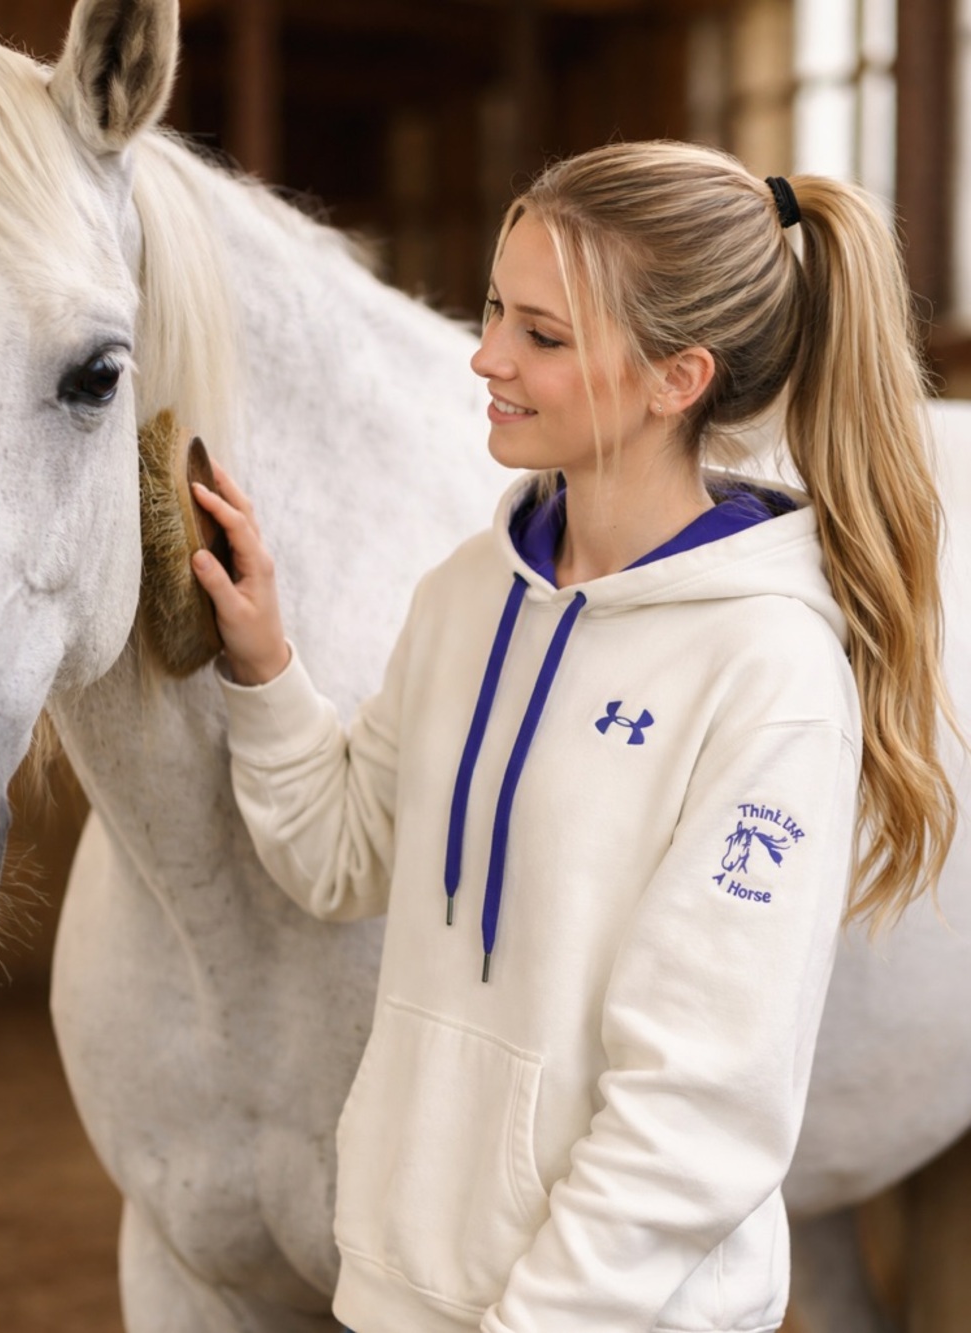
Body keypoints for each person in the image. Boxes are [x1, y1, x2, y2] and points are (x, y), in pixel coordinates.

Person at [191, 140, 956, 1333]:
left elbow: (701, 1108)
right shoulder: (463, 594)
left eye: (542, 336)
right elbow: (339, 858)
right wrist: (265, 668)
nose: (486, 355)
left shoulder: (767, 672)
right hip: (401, 1293)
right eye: (497, 307)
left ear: (676, 378)